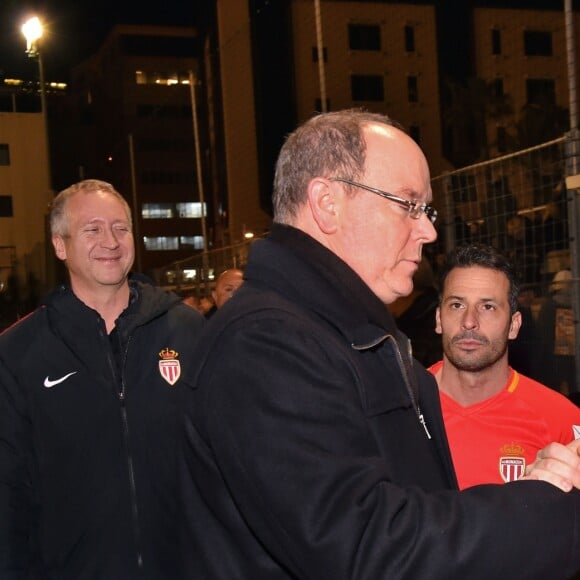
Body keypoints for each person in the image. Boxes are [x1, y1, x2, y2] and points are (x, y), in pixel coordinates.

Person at [179, 110, 580, 579]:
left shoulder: (345, 333)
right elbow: (366, 545)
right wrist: (548, 511)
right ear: (327, 203)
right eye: (409, 204)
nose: (428, 231)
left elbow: (408, 510)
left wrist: (537, 488)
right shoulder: (265, 344)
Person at [0, 179, 204, 579]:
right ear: (61, 245)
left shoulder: (187, 329)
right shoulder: (18, 353)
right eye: (92, 229)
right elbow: (8, 494)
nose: (110, 241)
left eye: (120, 228)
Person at [428, 244, 580, 489]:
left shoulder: (561, 422)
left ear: (514, 325)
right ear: (438, 319)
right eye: (457, 305)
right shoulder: (400, 406)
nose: (469, 321)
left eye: (487, 307)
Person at [534, 269, 576, 393]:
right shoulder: (550, 308)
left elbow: (542, 337)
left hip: (558, 360)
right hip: (561, 360)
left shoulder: (549, 307)